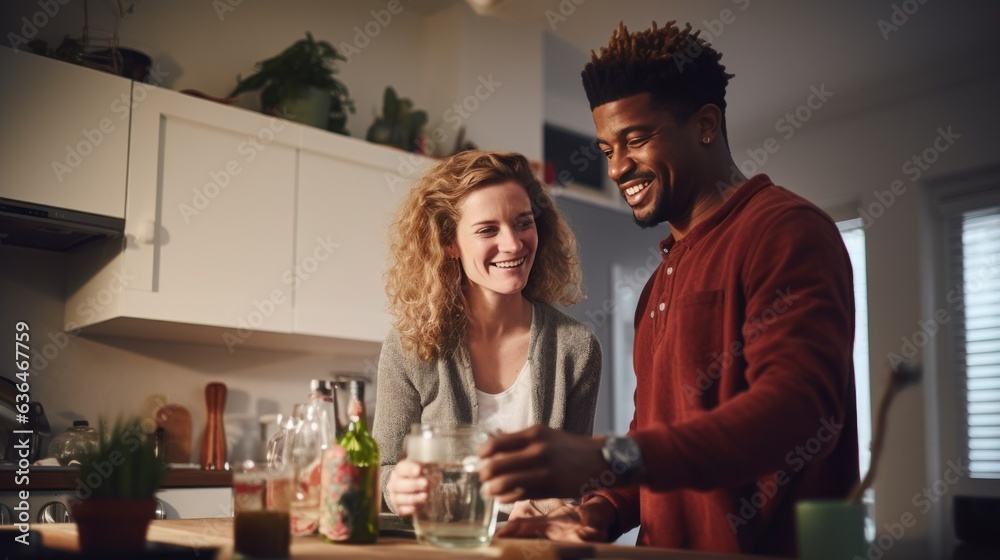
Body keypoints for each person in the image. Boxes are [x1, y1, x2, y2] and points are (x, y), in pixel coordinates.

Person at [477, 21, 859, 557]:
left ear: (706, 124)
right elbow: (653, 444)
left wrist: (604, 455)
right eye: (608, 147)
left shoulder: (786, 232)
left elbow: (796, 413)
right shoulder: (658, 282)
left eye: (636, 139)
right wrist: (593, 512)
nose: (617, 168)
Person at [372, 150, 603, 519]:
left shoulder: (575, 348)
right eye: (487, 230)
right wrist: (393, 487)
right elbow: (379, 469)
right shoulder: (410, 345)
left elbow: (574, 482)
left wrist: (544, 505)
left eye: (523, 222)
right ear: (449, 243)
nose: (512, 244)